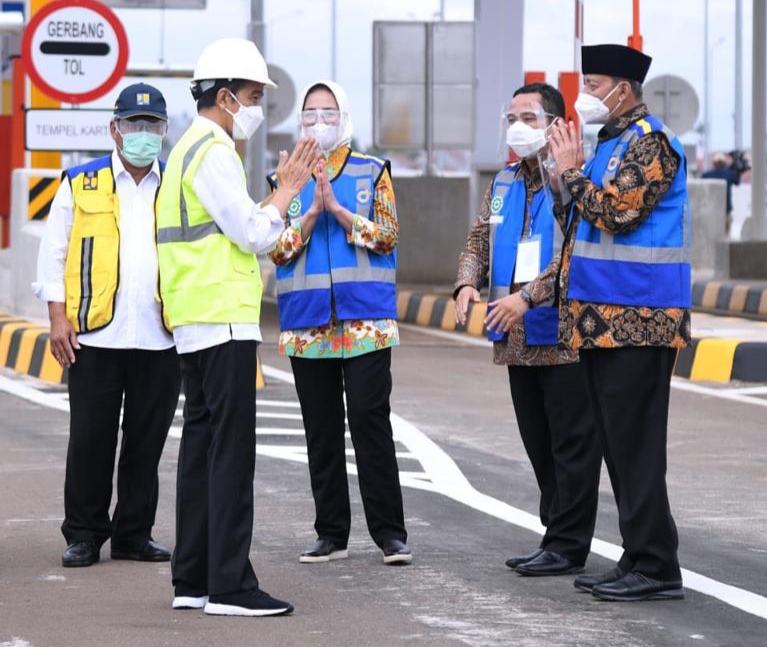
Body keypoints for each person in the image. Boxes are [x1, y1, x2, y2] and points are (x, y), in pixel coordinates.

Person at [156, 38, 319, 617]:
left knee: (201, 451)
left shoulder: (182, 151)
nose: (257, 108)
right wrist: (287, 193)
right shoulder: (214, 149)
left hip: (194, 319)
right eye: (253, 97)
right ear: (224, 97)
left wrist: (276, 204)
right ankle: (229, 585)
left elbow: (244, 229)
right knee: (230, 455)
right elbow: (252, 233)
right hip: (221, 319)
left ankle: (194, 580)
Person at [547, 44, 691, 601]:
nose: (585, 91)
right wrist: (563, 180)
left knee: (636, 446)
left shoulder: (650, 141)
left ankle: (657, 565)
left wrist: (571, 173)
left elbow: (620, 213)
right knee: (617, 446)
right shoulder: (607, 143)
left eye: (594, 81)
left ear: (623, 90)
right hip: (599, 320)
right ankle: (638, 555)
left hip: (641, 320)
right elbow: (581, 220)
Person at [454, 83, 601, 577]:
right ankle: (554, 535)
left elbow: (572, 253)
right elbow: (479, 238)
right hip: (516, 340)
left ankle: (568, 545)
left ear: (557, 126)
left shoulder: (573, 180)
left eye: (530, 117)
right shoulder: (504, 182)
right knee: (539, 445)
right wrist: (466, 283)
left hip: (562, 336)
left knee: (571, 446)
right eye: (512, 115)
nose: (518, 125)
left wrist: (528, 297)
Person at [32, 83, 180, 568]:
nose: (143, 134)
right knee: (91, 439)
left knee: (146, 441)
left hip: (160, 334)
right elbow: (53, 253)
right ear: (114, 129)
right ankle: (85, 534)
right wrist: (57, 318)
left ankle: (134, 535)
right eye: (134, 125)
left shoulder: (176, 184)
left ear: (163, 131)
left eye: (152, 126)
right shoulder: (81, 181)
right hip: (95, 334)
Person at [268, 80, 411, 566]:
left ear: (344, 115)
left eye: (328, 111)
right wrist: (310, 213)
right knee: (321, 429)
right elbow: (276, 248)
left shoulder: (374, 171)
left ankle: (390, 534)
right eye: (310, 113)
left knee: (371, 422)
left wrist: (341, 212)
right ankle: (330, 532)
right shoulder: (283, 178)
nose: (318, 120)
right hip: (308, 324)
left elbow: (389, 236)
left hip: (366, 320)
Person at [702, 152, 740, 237]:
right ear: (724, 163)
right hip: (726, 209)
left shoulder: (707, 175)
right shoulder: (730, 174)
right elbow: (737, 182)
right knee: (726, 235)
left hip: (711, 209)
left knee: (711, 235)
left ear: (714, 163)